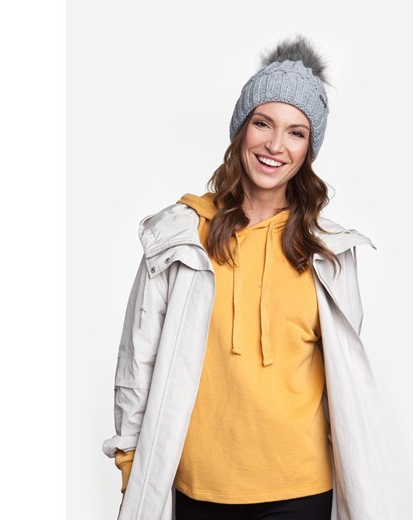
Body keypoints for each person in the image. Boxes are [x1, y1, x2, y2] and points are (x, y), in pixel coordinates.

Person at [102, 34, 402, 520]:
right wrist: (130, 458)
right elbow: (138, 359)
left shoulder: (330, 252)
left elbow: (345, 383)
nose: (275, 146)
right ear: (242, 129)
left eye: (296, 132)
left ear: (309, 149)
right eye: (263, 123)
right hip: (199, 484)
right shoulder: (181, 236)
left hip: (301, 485)